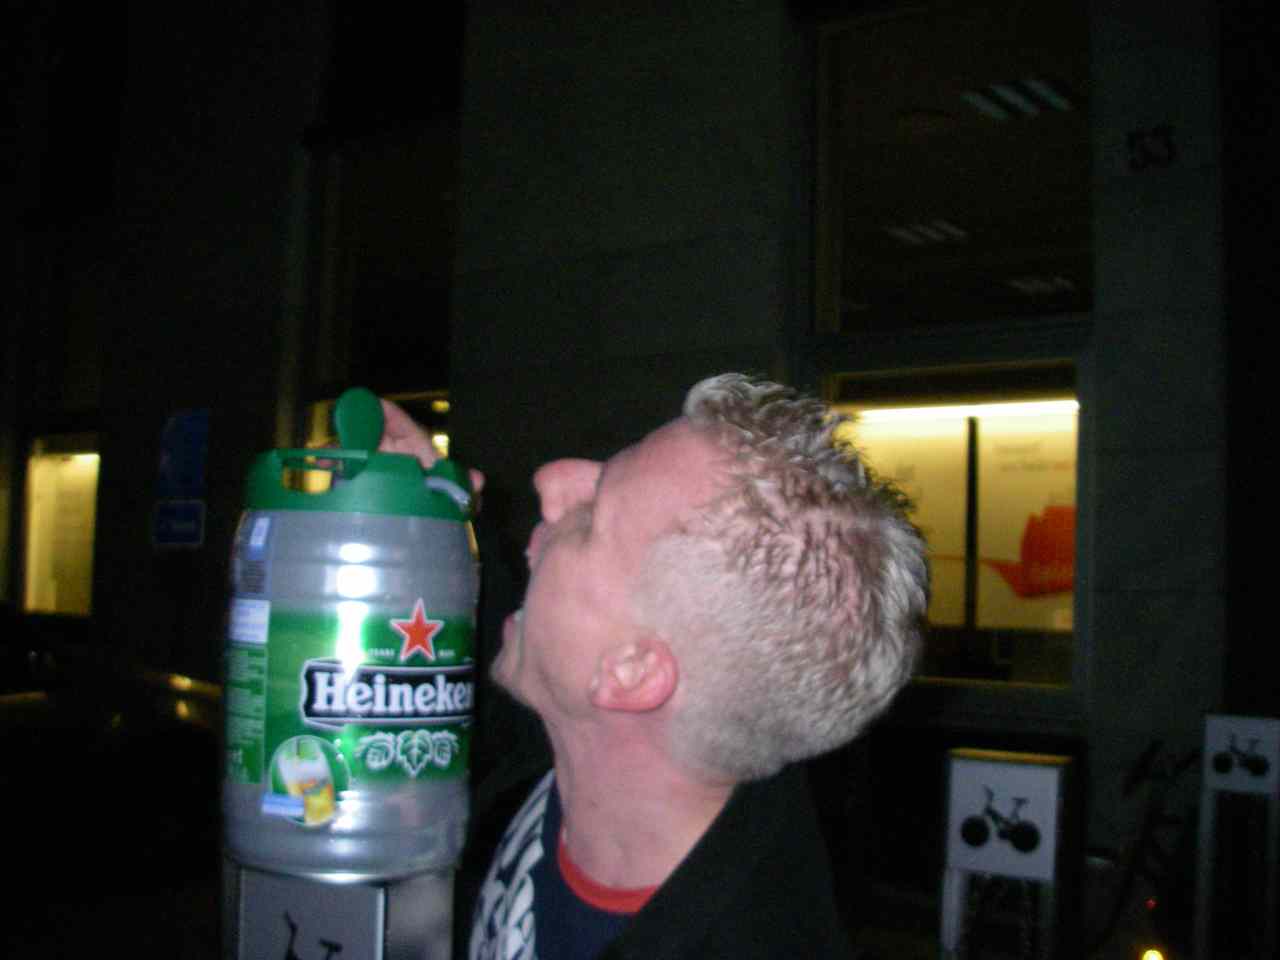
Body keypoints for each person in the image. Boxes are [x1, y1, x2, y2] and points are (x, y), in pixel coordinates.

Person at [381, 373, 930, 960]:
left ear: (632, 673)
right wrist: (439, 532)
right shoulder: (643, 745)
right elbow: (532, 654)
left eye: (592, 518)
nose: (550, 478)